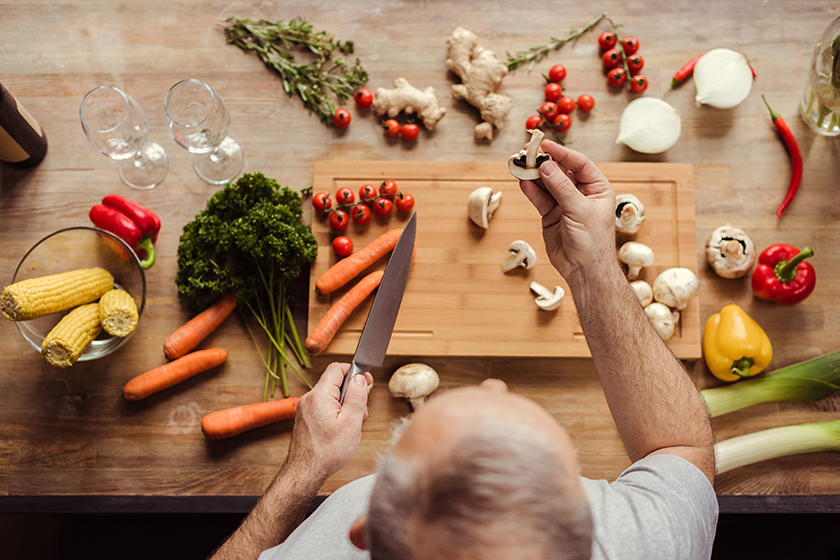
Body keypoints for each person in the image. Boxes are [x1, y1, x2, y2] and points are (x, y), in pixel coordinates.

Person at [209, 141, 718, 560]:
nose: (494, 383)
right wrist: (593, 268)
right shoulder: (642, 545)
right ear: (588, 528)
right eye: (505, 400)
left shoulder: (324, 551)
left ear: (360, 533)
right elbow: (681, 449)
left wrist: (303, 472)